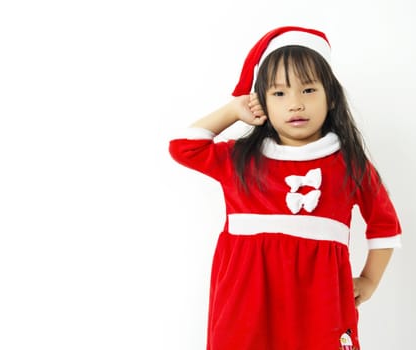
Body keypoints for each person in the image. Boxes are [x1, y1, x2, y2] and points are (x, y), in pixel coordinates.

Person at [168, 26, 402, 350]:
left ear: (331, 96)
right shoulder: (240, 160)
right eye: (279, 93)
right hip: (243, 310)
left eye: (308, 90)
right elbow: (183, 147)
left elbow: (384, 225)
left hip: (321, 309)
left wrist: (370, 280)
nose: (295, 104)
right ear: (260, 101)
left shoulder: (350, 164)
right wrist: (233, 110)